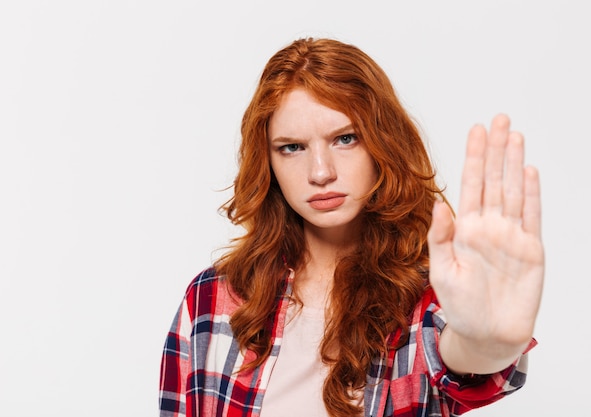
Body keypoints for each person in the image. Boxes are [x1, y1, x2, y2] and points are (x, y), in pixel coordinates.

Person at [158, 37, 544, 417]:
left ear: (382, 144)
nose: (320, 173)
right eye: (292, 147)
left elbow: (461, 358)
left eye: (345, 139)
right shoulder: (212, 299)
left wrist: (490, 343)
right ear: (268, 161)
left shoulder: (431, 295)